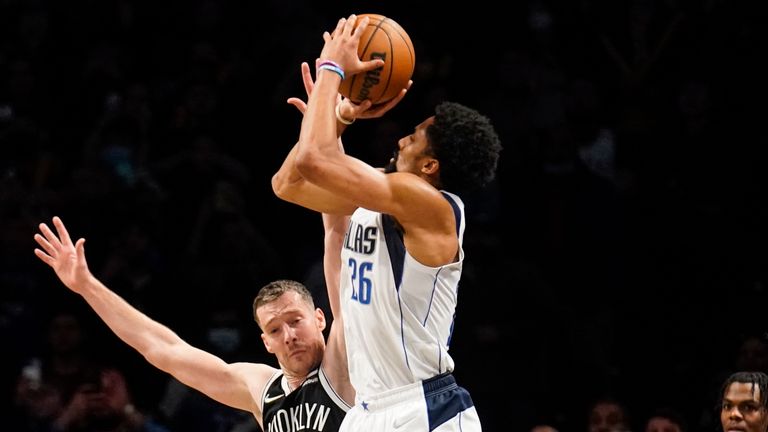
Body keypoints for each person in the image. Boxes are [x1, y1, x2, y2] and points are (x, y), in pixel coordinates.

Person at [272, 14, 502, 431]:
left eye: (413, 138)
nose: (399, 139)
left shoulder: (432, 207)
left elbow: (314, 159)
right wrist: (338, 114)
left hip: (423, 407)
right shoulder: (382, 193)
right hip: (368, 410)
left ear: (431, 165)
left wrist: (332, 71)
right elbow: (288, 184)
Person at [33, 215, 353, 431]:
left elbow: (336, 239)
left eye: (296, 321)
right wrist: (87, 286)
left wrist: (326, 137)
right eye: (275, 329)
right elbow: (162, 347)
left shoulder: (341, 364)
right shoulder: (262, 388)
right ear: (266, 342)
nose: (289, 335)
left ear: (320, 319)